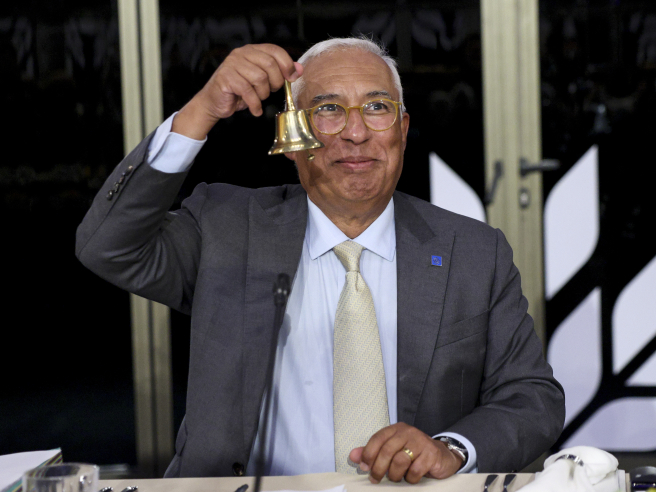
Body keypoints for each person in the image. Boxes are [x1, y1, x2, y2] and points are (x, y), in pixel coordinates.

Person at [76, 37, 565, 483]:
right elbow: (108, 246)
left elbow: (531, 398)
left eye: (377, 107)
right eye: (329, 109)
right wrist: (200, 111)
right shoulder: (227, 229)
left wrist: (451, 449)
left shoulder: (474, 252)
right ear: (292, 137)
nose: (356, 132)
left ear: (402, 130)